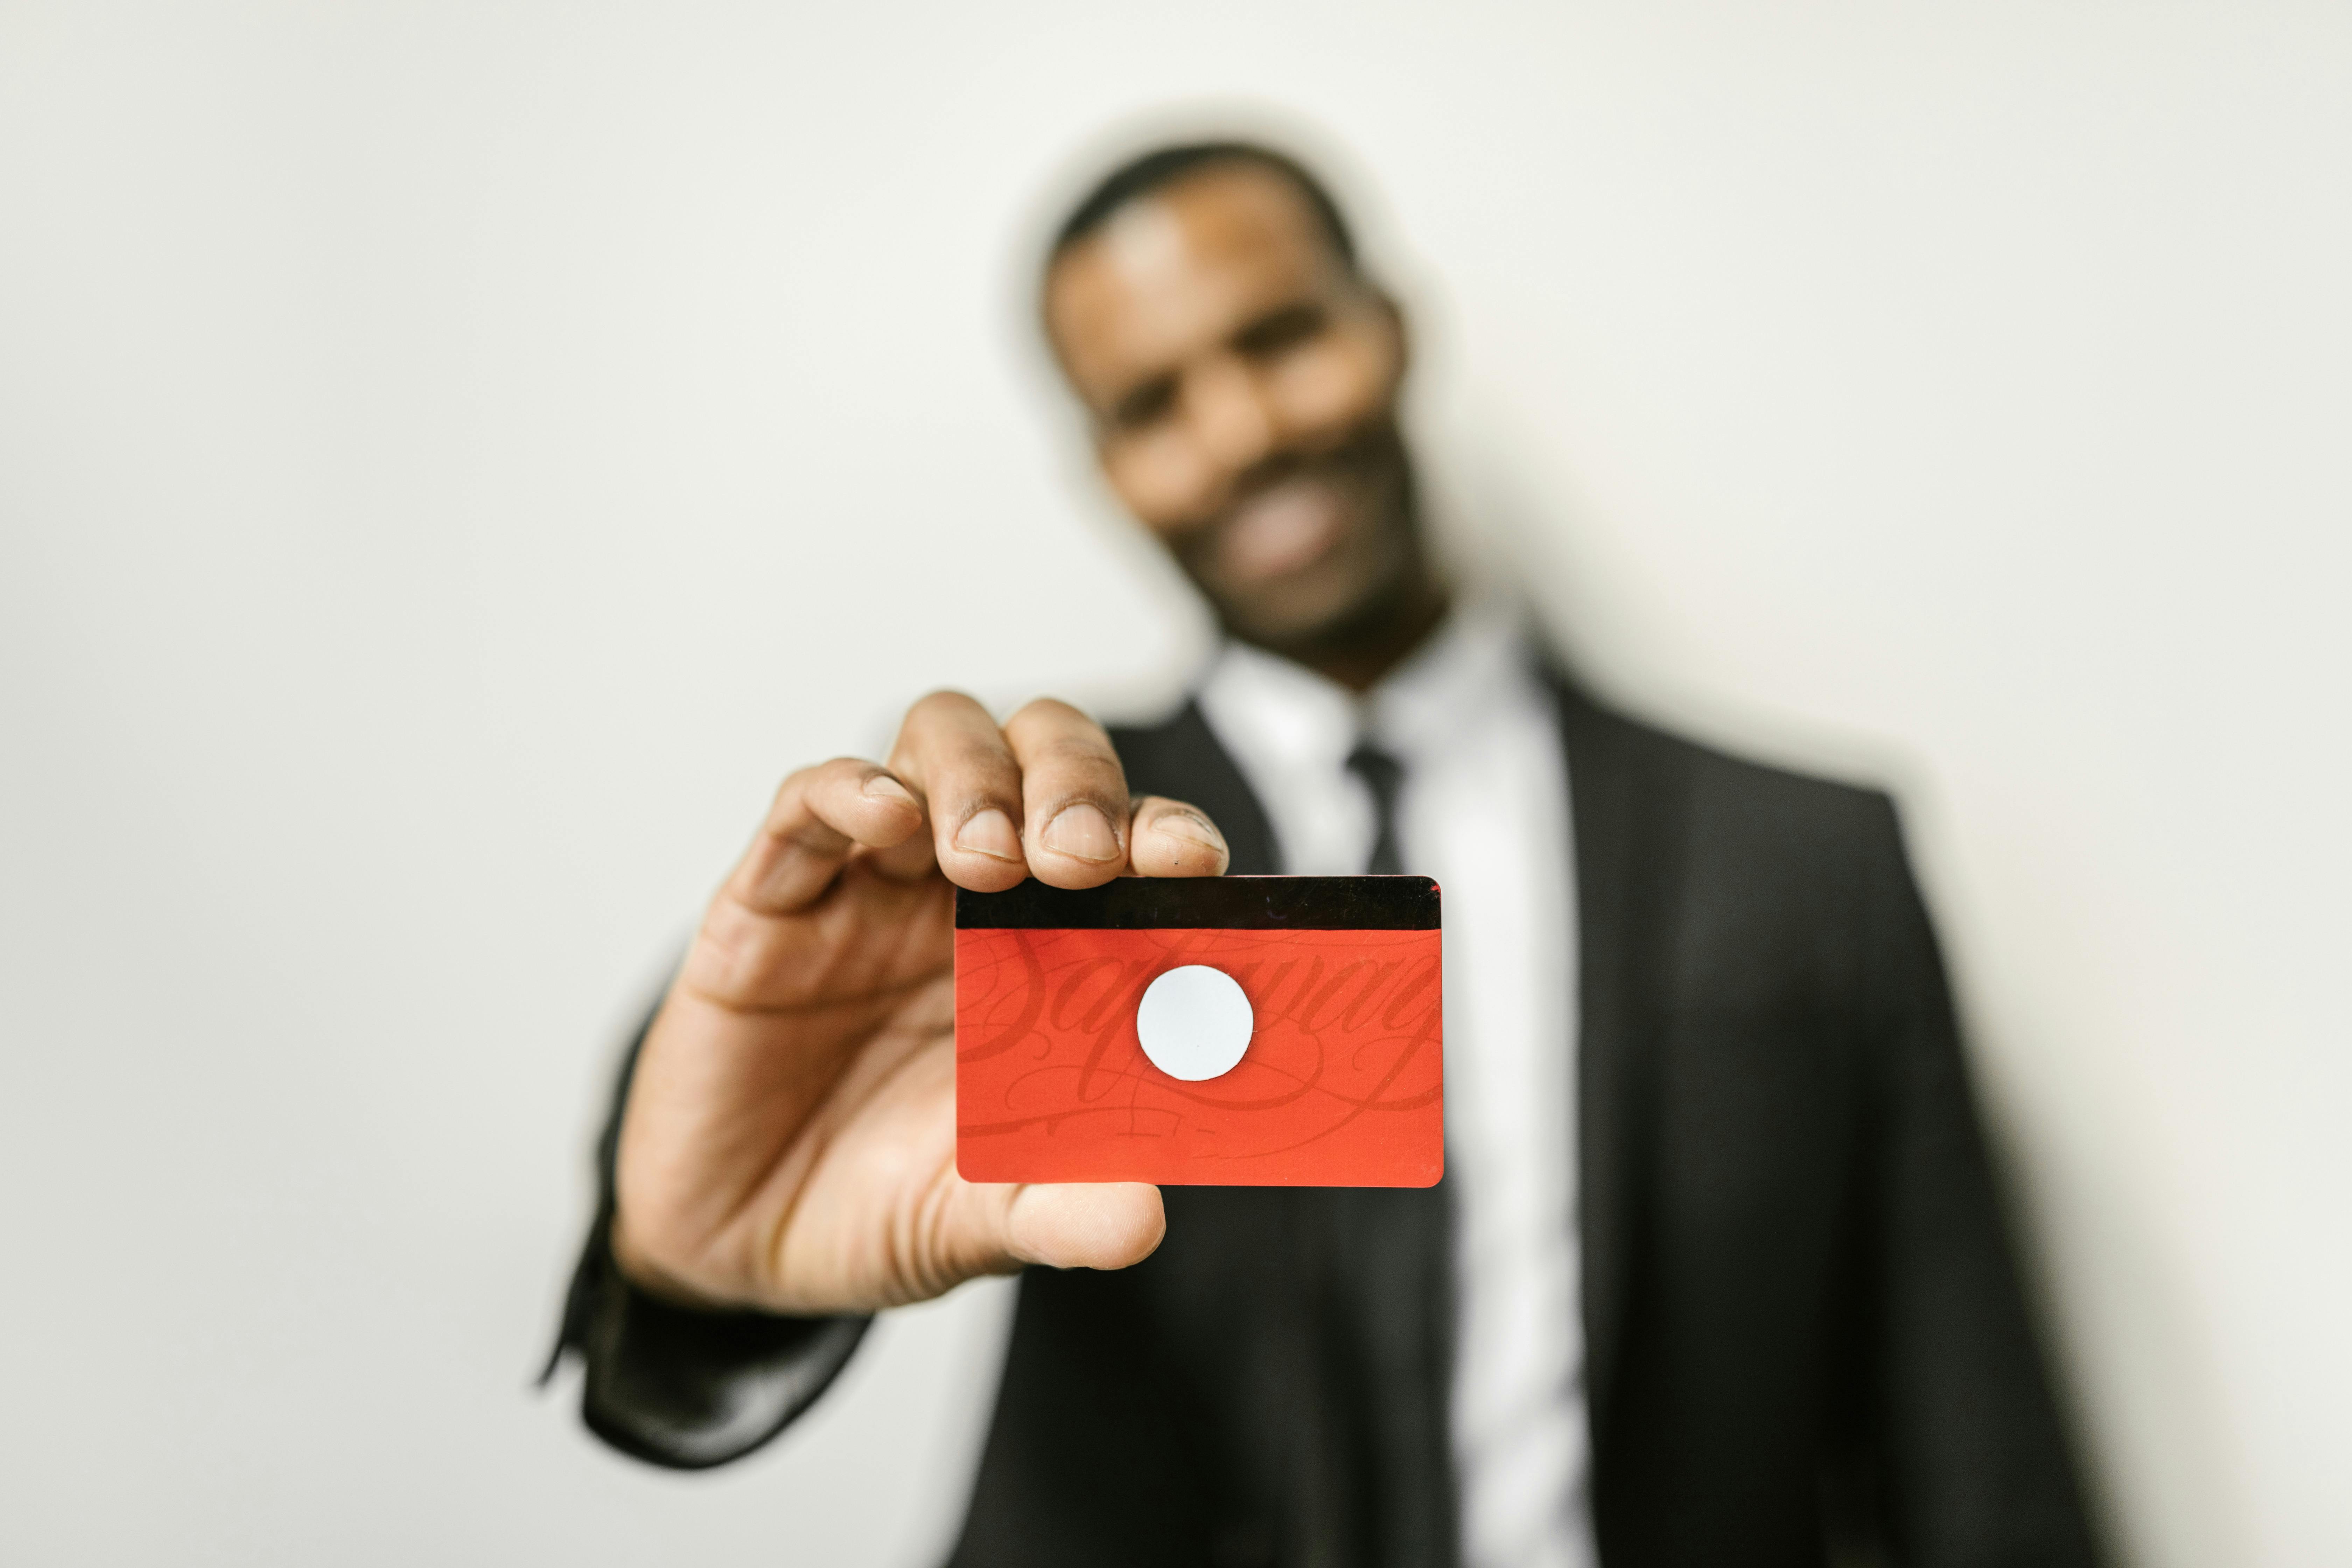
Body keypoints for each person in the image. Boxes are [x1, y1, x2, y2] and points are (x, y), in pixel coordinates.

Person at [545, 141, 2099, 1568]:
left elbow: (1982, 1468)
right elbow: (717, 1187)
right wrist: (686, 1267)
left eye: (1280, 337)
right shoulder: (1003, 865)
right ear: (1102, 469)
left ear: (1393, 330)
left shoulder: (1809, 859)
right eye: (1152, 404)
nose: (1242, 430)